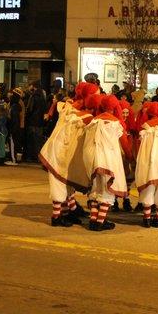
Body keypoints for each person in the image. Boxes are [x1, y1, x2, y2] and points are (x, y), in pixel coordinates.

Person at [40, 82, 98, 227]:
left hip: (63, 151)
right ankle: (57, 217)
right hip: (60, 152)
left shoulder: (70, 106)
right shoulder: (81, 114)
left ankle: (68, 211)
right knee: (59, 184)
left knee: (66, 183)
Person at [83, 94, 133, 231]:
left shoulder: (93, 121)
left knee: (95, 188)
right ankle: (100, 221)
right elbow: (125, 145)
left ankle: (93, 219)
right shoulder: (116, 123)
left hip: (92, 158)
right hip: (108, 159)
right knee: (107, 190)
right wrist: (130, 157)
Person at [25, 80, 47, 163]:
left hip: (33, 121)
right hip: (40, 122)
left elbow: (30, 109)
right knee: (39, 140)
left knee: (32, 140)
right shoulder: (42, 96)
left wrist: (27, 117)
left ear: (33, 86)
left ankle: (32, 157)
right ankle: (39, 157)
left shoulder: (33, 96)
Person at [7, 88, 25, 165]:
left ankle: (14, 160)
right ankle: (18, 159)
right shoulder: (19, 102)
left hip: (16, 126)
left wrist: (13, 128)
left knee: (15, 143)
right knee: (18, 143)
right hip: (20, 125)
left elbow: (16, 117)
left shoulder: (16, 104)